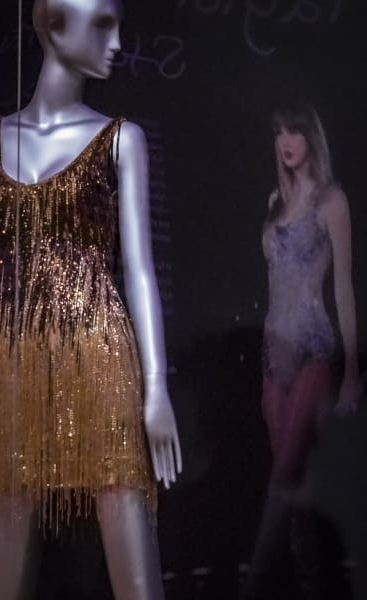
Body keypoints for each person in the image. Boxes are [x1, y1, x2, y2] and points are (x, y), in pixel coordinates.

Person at [0, 1, 182, 598]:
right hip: (14, 372)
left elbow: (140, 270)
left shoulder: (121, 140)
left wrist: (156, 387)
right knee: (3, 579)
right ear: (53, 26)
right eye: (103, 24)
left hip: (101, 359)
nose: (118, 43)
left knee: (136, 580)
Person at [242, 100, 363, 599]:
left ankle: (253, 583)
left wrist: (351, 371)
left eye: (294, 131)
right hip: (274, 356)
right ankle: (311, 581)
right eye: (278, 132)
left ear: (311, 137)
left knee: (286, 470)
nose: (285, 141)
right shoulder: (275, 201)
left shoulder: (332, 201)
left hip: (314, 348)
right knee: (295, 481)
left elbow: (343, 287)